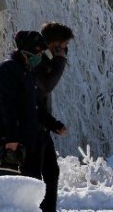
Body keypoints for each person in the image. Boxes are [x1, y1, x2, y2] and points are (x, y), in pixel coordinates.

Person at [0, 31, 48, 179]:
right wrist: (12, 138)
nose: (41, 55)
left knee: (26, 190)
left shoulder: (25, 70)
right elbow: (7, 105)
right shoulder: (8, 69)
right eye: (39, 51)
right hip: (4, 139)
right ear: (27, 50)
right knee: (1, 184)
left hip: (21, 139)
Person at [34, 22, 74, 212]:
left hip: (42, 126)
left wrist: (53, 125)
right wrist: (60, 60)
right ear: (54, 44)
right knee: (35, 177)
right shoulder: (37, 61)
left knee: (51, 173)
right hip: (32, 129)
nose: (65, 49)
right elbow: (47, 86)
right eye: (63, 44)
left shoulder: (45, 60)